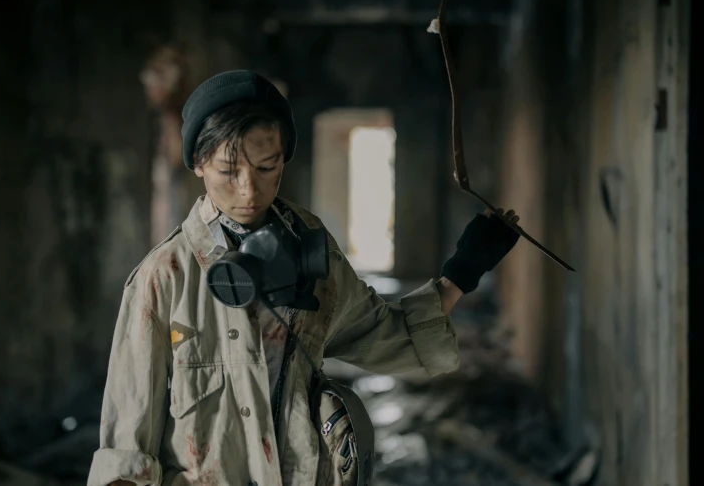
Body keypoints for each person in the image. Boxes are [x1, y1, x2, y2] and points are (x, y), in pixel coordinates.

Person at [87, 70, 520, 486]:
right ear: (198, 164)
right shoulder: (164, 277)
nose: (249, 191)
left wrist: (463, 271)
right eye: (229, 171)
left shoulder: (312, 249)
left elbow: (385, 333)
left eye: (266, 167)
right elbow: (125, 450)